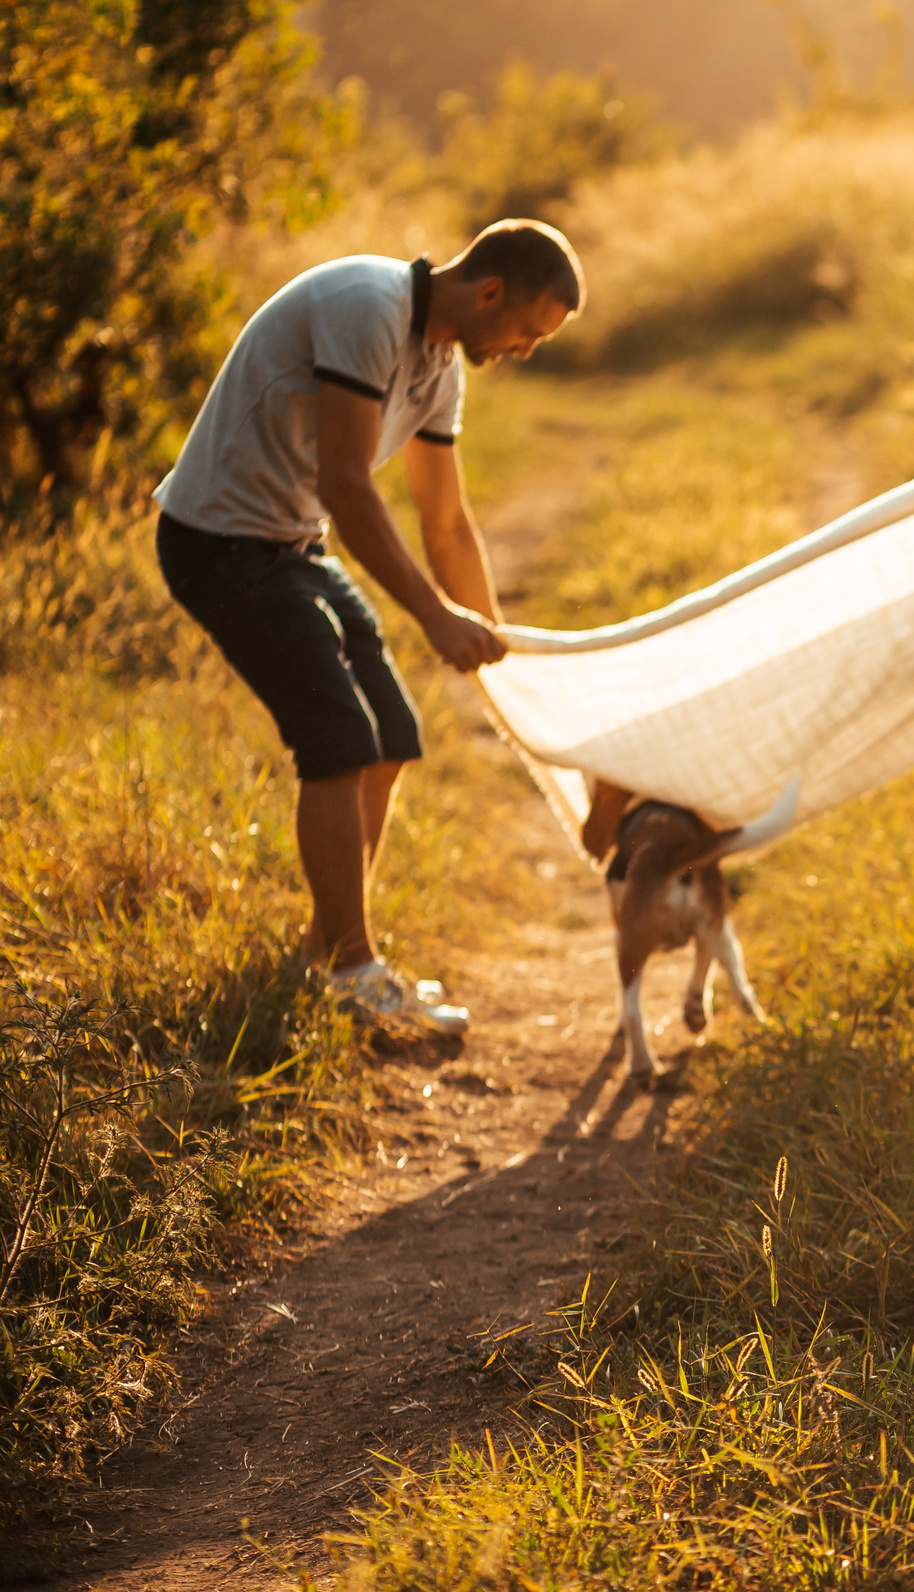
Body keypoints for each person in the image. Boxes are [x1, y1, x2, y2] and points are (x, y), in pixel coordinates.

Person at [152, 220, 586, 1034]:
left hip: (290, 544)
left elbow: (446, 522)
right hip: (219, 542)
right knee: (338, 741)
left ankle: (326, 959)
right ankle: (354, 967)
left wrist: (495, 647)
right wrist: (432, 617)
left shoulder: (441, 362)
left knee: (391, 736)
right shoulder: (368, 306)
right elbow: (347, 487)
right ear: (489, 291)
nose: (526, 349)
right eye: (529, 331)